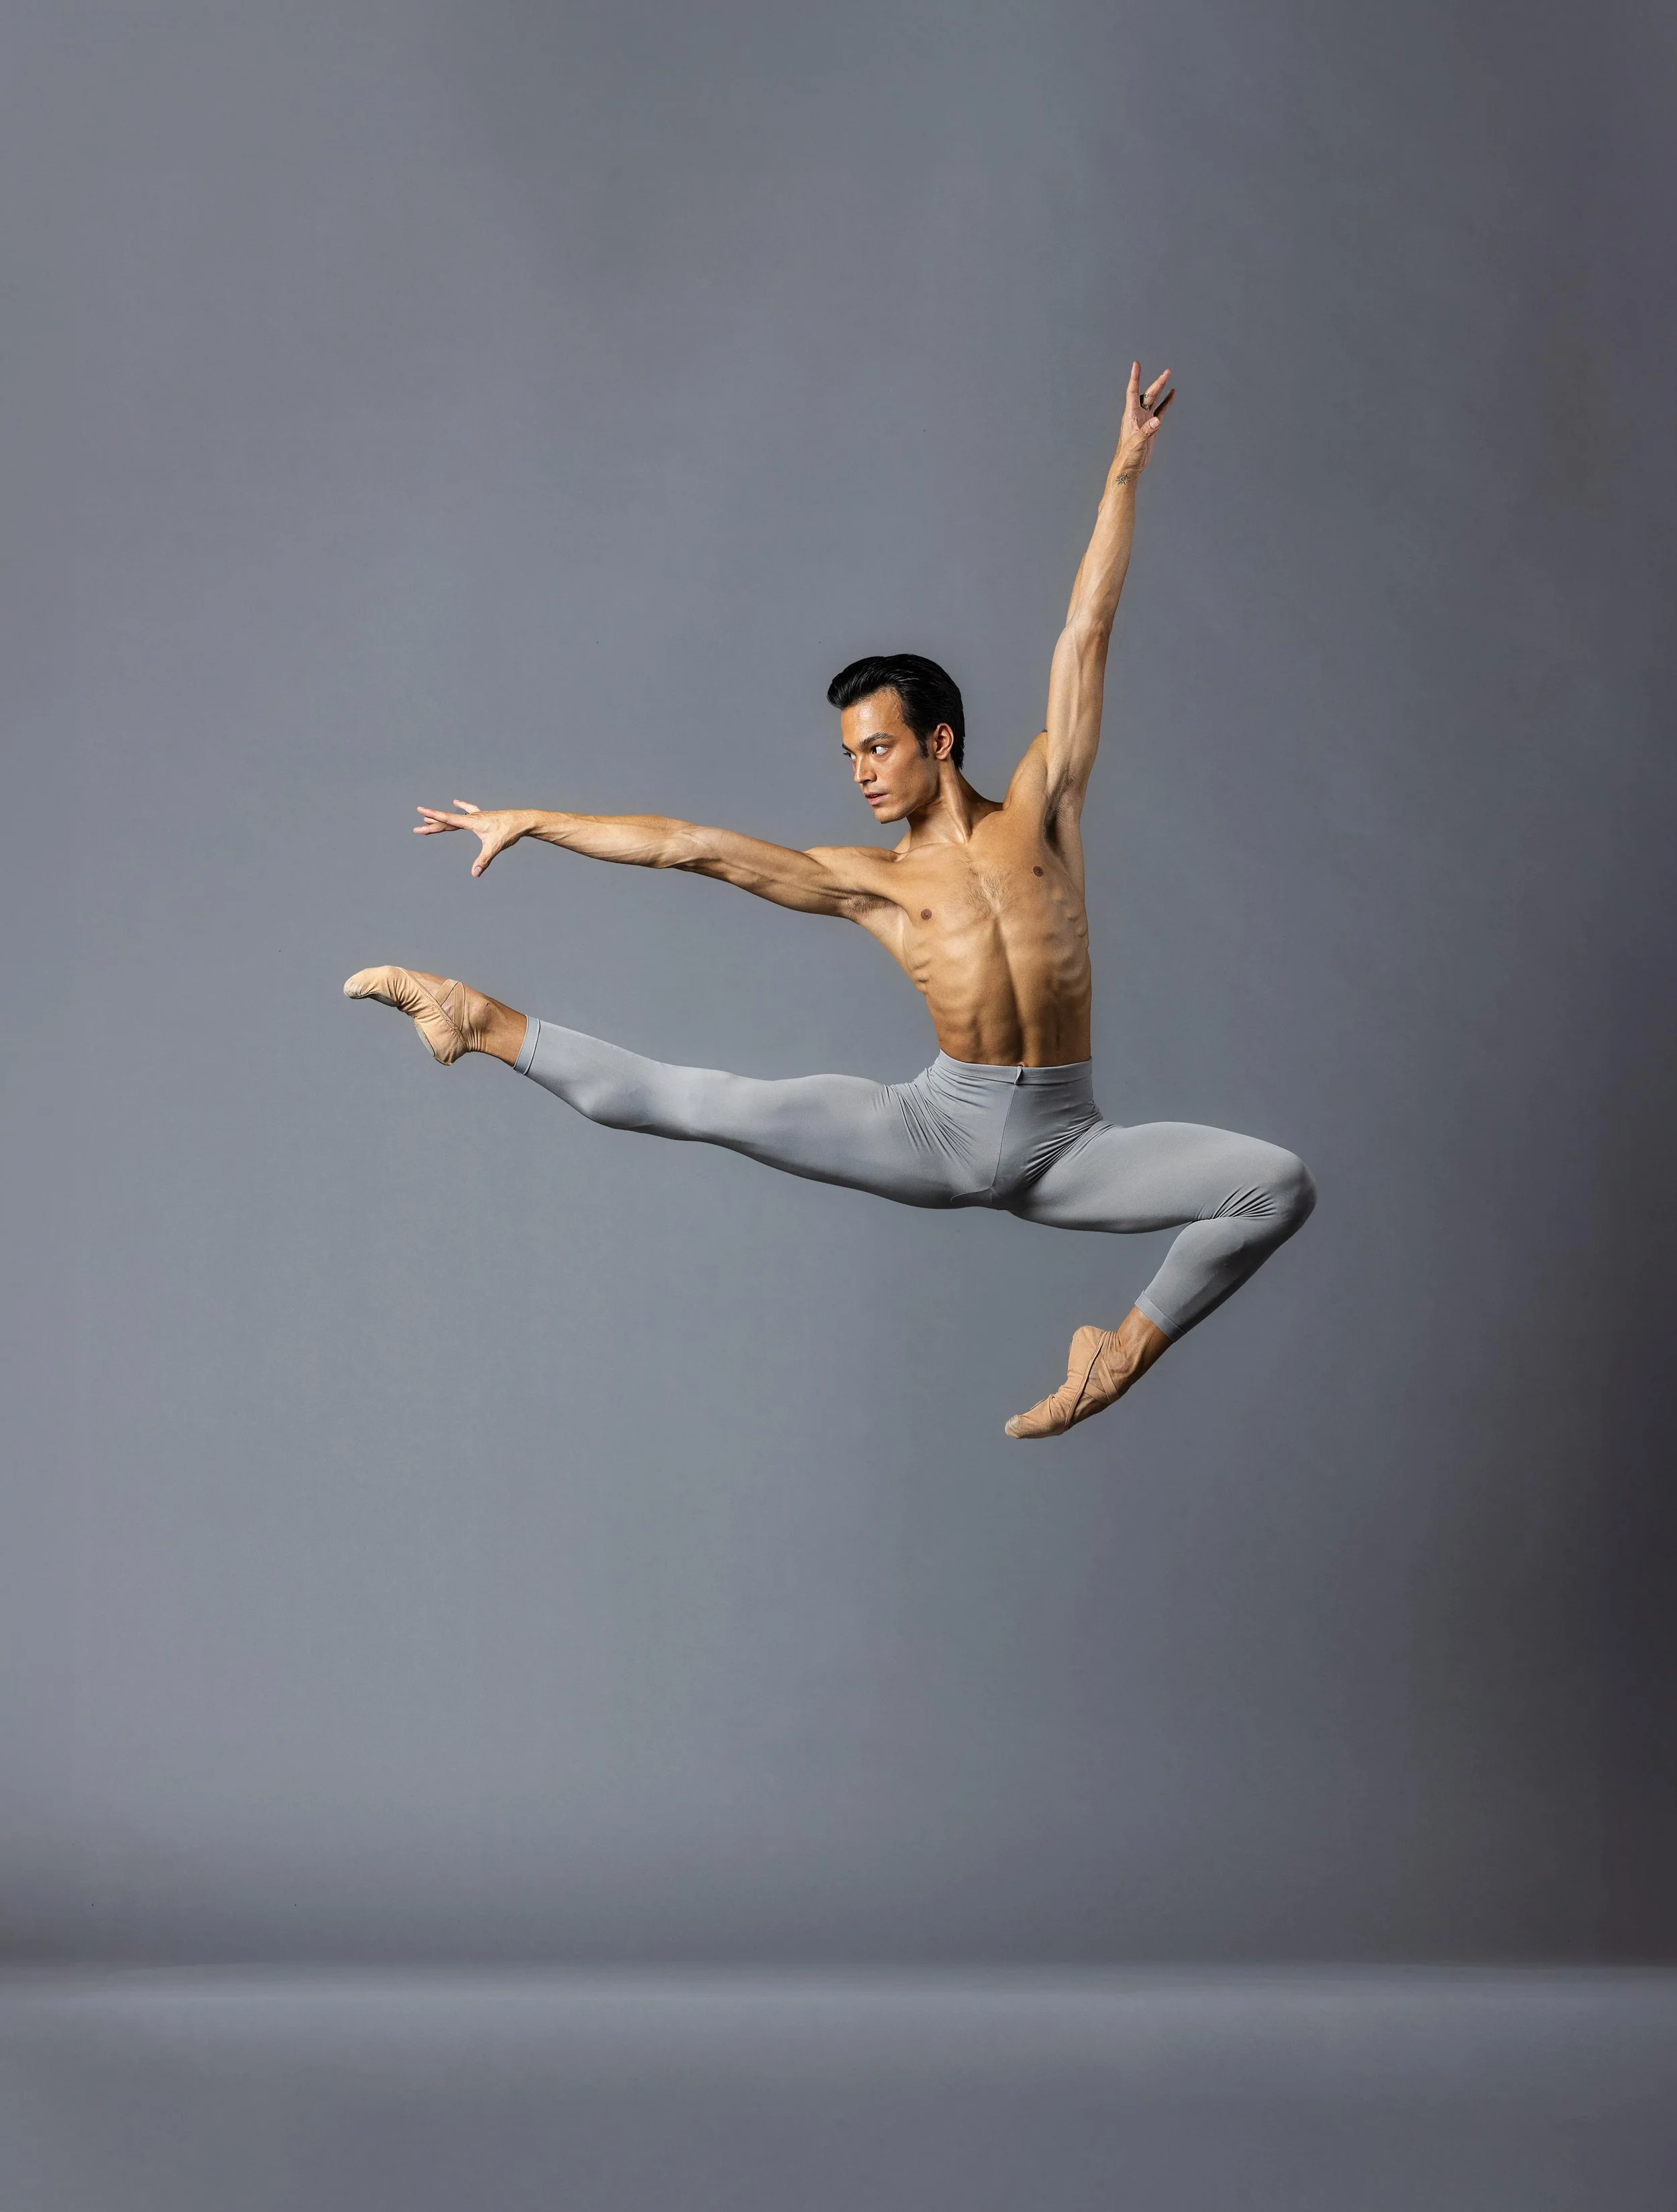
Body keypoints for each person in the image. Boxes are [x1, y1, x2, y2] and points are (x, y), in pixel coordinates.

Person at [347, 363, 1315, 1437]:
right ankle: (478, 1020)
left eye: (878, 746)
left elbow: (1084, 634)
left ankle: (1116, 1360)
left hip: (1068, 1143)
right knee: (701, 1102)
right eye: (850, 753)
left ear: (939, 740)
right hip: (938, 1130)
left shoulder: (1047, 802)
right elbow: (693, 849)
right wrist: (535, 819)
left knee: (1276, 1184)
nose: (859, 771)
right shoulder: (873, 881)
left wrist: (1125, 470)